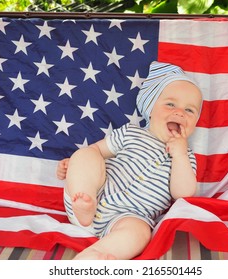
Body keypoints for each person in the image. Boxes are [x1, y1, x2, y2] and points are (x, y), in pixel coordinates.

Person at [56, 61, 203, 260]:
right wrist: (74, 165)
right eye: (170, 104)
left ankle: (94, 257)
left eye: (190, 110)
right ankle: (85, 206)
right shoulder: (131, 132)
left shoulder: (186, 156)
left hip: (127, 217)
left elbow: (183, 193)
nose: (179, 112)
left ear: (194, 123)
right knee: (85, 154)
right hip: (91, 194)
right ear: (150, 109)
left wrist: (180, 155)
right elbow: (96, 150)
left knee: (141, 233)